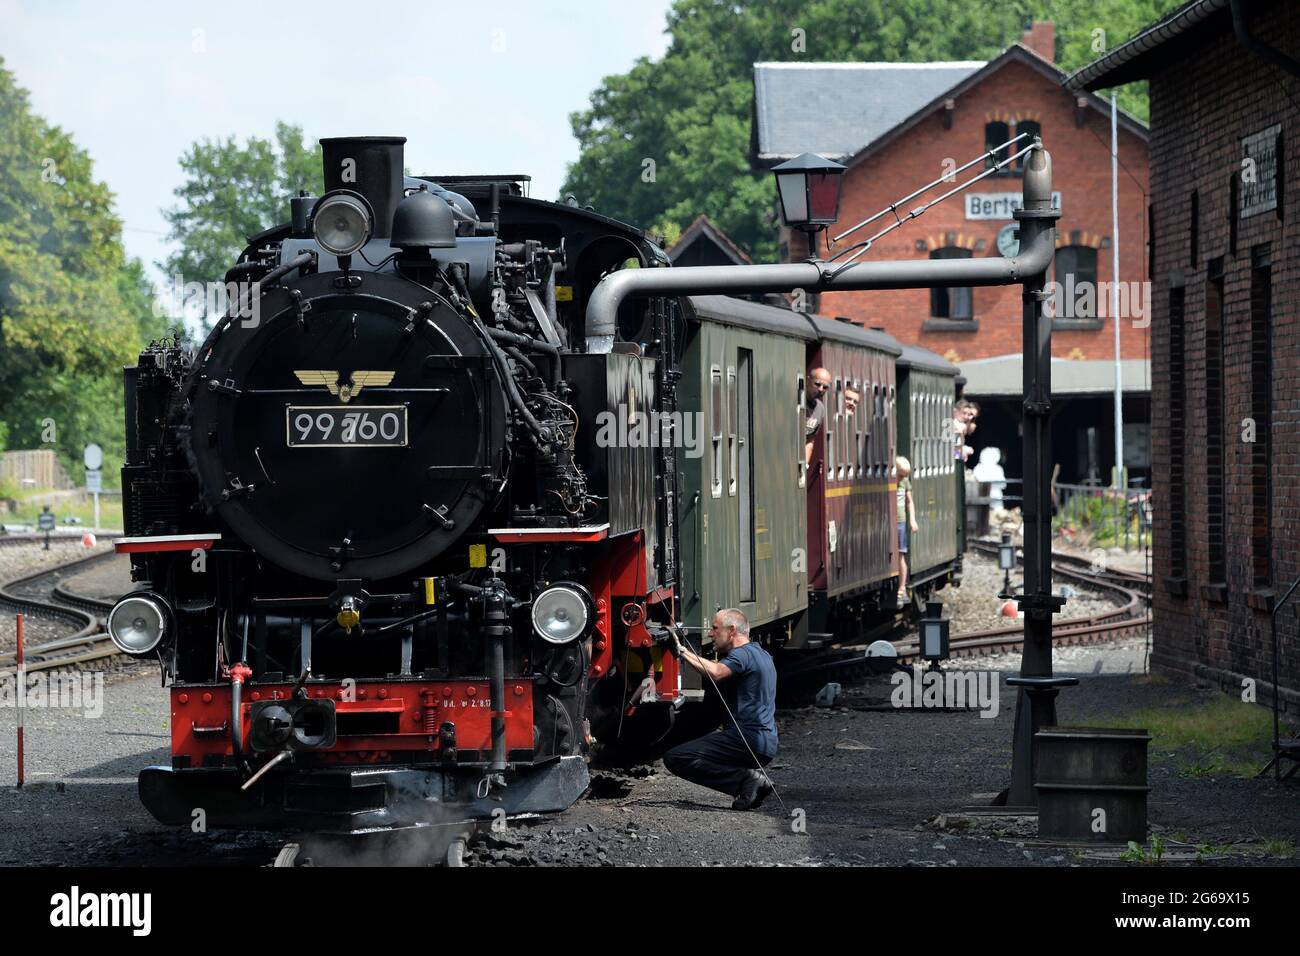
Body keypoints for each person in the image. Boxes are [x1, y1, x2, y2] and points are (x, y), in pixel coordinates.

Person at [663, 609, 778, 810]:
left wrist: (681, 651)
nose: (710, 633)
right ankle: (748, 784)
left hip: (747, 739)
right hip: (766, 742)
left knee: (676, 758)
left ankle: (747, 780)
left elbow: (716, 672)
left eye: (715, 628)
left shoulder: (742, 655)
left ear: (732, 630)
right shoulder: (762, 654)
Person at [896, 455, 918, 603]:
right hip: (889, 521)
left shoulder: (905, 483)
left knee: (901, 554)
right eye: (900, 475)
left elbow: (910, 502)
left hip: (900, 521)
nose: (902, 478)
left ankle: (902, 587)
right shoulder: (889, 481)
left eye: (904, 475)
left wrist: (912, 520)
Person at [805, 367, 831, 467]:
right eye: (817, 384)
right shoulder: (795, 400)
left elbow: (810, 440)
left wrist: (805, 465)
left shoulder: (820, 409)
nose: (820, 389)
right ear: (808, 380)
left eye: (825, 387)